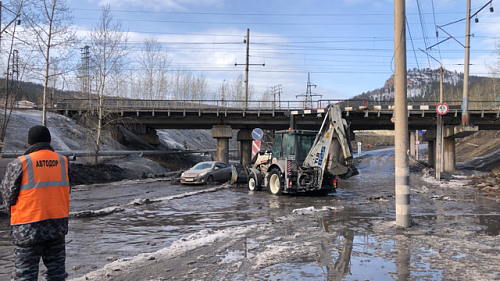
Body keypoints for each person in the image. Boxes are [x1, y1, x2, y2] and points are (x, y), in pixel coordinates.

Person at [0, 125, 70, 281]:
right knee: (56, 274)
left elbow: (7, 196)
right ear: (50, 141)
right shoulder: (63, 162)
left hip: (27, 227)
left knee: (26, 275)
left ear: (29, 143)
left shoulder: (20, 163)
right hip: (57, 227)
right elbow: (66, 190)